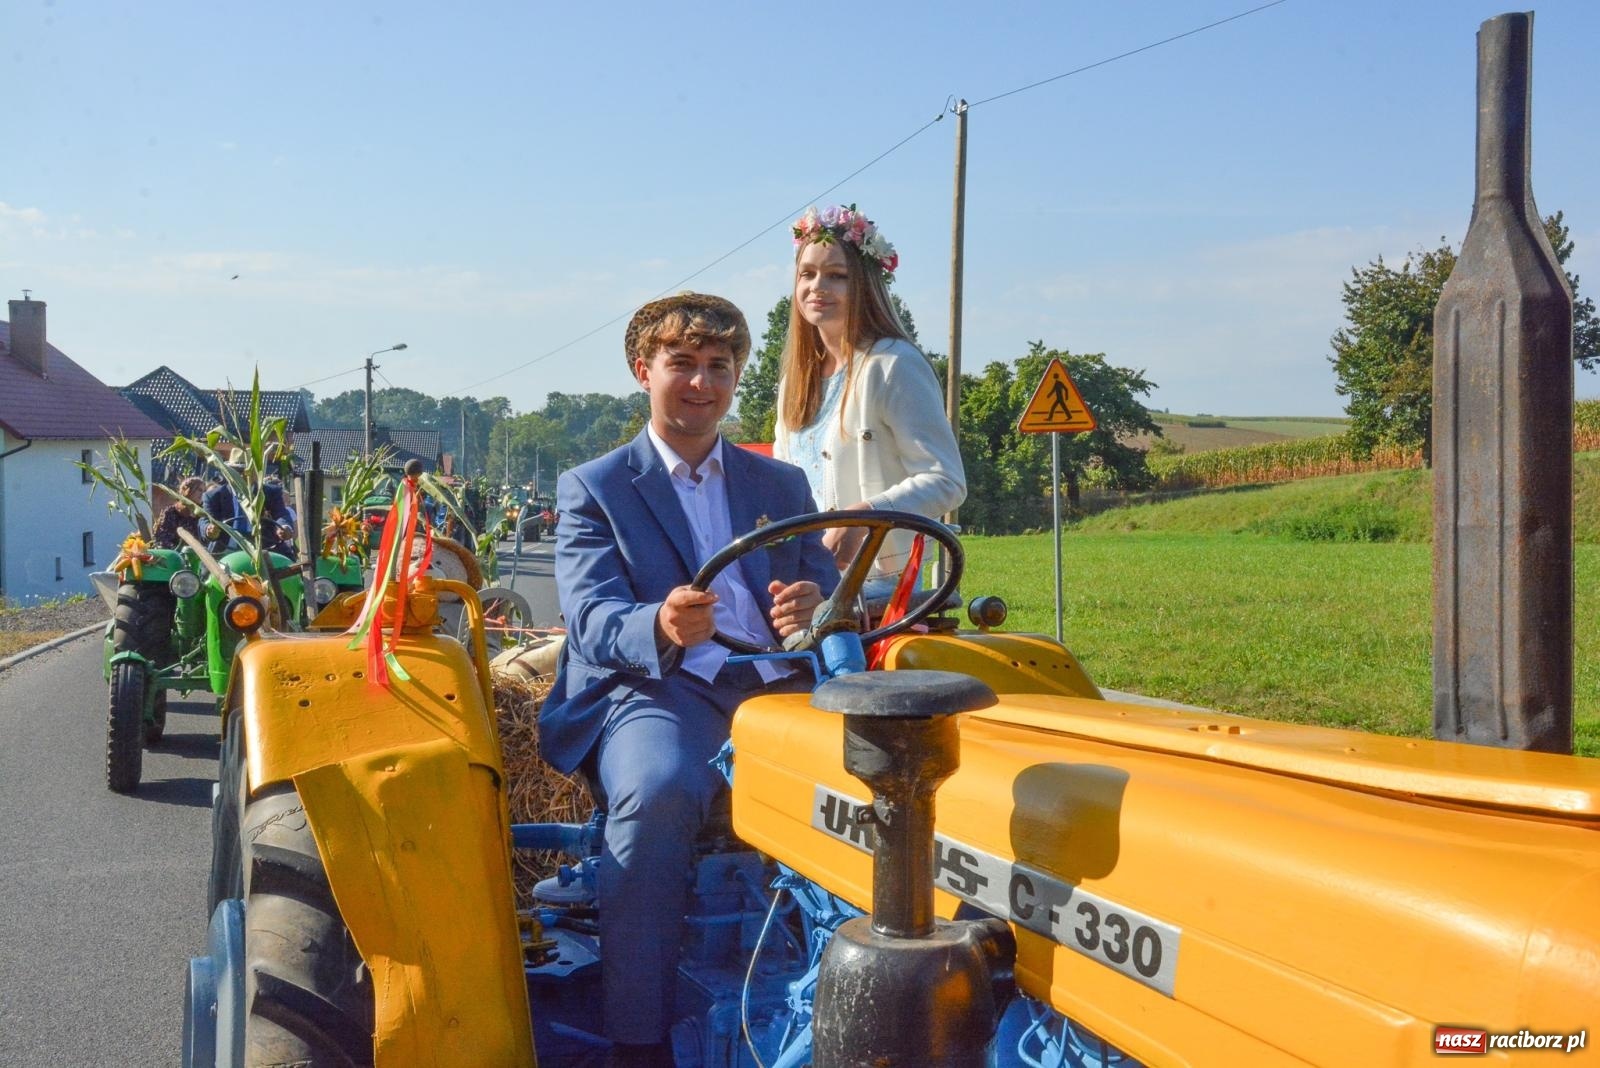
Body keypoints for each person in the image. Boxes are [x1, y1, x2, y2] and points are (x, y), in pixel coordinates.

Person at [540, 293, 836, 1067]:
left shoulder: (780, 487)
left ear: (736, 378)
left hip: (774, 683)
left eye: (718, 367)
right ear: (645, 372)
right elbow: (592, 619)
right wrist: (659, 624)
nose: (701, 383)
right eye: (683, 365)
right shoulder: (596, 486)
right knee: (662, 787)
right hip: (658, 688)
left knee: (893, 774)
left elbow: (826, 592)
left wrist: (814, 604)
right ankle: (639, 1039)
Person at [774, 204, 966, 590]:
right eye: (807, 274)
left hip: (881, 590)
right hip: (808, 586)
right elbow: (781, 488)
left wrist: (864, 517)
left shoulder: (892, 365)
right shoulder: (795, 383)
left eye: (837, 276)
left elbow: (945, 479)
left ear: (865, 284)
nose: (818, 287)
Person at [153, 476, 207, 549]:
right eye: (199, 490)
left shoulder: (204, 514)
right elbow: (163, 539)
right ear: (187, 490)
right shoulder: (172, 512)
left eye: (204, 491)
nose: (202, 494)